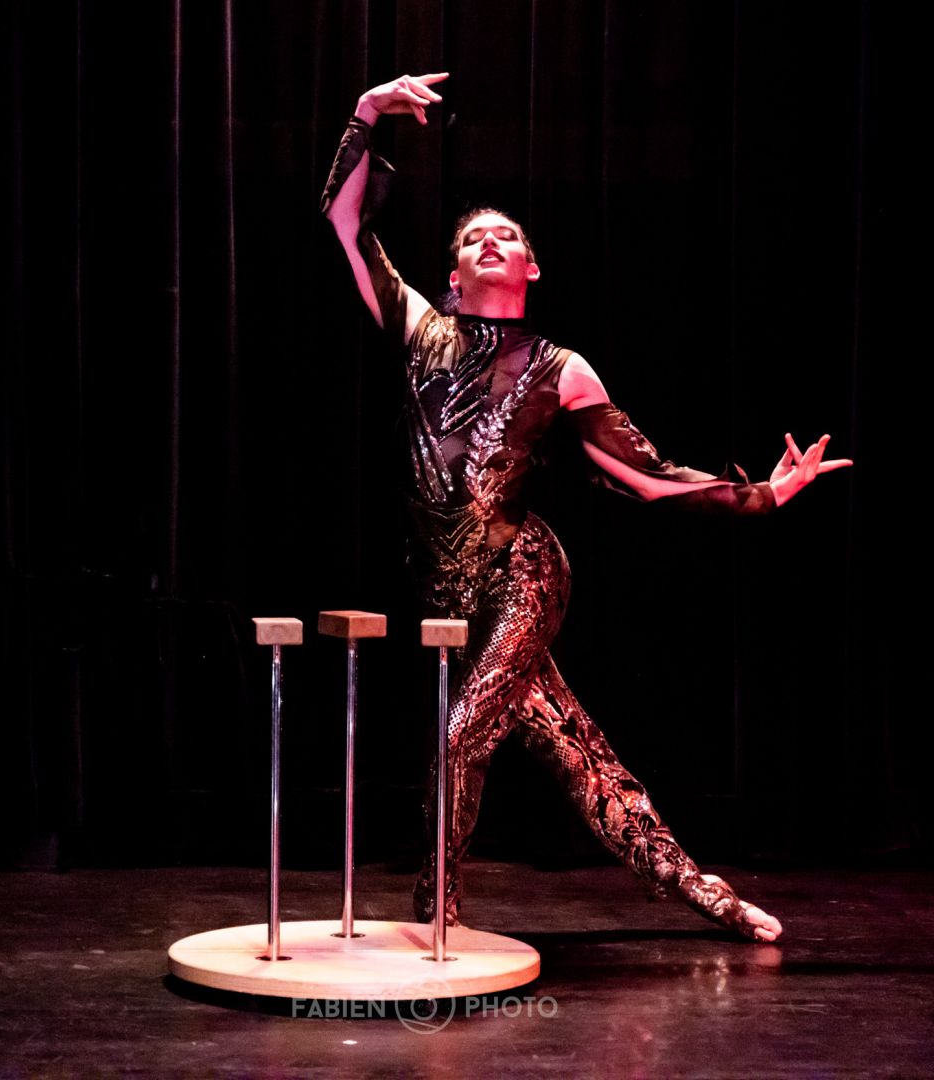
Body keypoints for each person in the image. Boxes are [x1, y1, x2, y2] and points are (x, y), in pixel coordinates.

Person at [322, 73, 850, 943]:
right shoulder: (420, 331)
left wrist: (765, 493)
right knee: (581, 757)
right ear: (452, 276)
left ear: (531, 269)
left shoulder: (561, 369)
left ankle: (436, 911)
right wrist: (368, 112)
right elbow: (346, 224)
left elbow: (648, 477)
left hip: (524, 575)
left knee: (459, 736)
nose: (491, 241)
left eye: (507, 236)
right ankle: (707, 894)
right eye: (473, 237)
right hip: (449, 593)